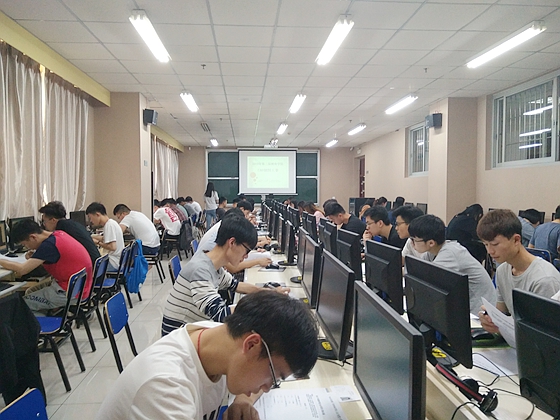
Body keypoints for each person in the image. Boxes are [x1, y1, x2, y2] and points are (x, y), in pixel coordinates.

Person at [98, 291, 318, 420]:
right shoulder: (165, 386)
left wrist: (243, 398)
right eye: (273, 376)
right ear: (251, 345)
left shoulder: (218, 337)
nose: (267, 388)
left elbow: (251, 373)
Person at [161, 216, 287, 335]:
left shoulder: (213, 265)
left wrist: (270, 293)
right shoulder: (200, 270)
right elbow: (221, 314)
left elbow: (236, 285)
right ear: (232, 243)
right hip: (180, 339)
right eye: (247, 250)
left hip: (194, 330)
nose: (246, 256)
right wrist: (265, 303)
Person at [476, 209, 560, 333]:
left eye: (495, 244)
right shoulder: (503, 270)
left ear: (516, 240)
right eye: (486, 245)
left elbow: (545, 335)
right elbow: (501, 312)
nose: (490, 251)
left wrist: (502, 329)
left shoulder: (544, 279)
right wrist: (490, 320)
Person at [0, 219, 93, 315]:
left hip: (70, 292)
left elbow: (22, 270)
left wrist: (1, 261)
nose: (27, 247)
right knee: (31, 291)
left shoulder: (48, 246)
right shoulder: (58, 234)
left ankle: (40, 323)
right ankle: (47, 315)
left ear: (33, 237)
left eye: (25, 244)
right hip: (81, 287)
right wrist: (36, 257)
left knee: (22, 305)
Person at [408, 215, 496, 314]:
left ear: (431, 243)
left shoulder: (450, 254)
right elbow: (417, 273)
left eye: (414, 240)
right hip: (465, 307)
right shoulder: (432, 252)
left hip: (480, 312)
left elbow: (427, 285)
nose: (411, 243)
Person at [39, 201, 100, 266]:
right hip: (96, 264)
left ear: (53, 220)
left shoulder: (61, 229)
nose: (44, 225)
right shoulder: (71, 224)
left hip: (90, 266)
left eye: (44, 221)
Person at [86, 202, 125, 272]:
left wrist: (97, 242)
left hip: (113, 263)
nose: (91, 221)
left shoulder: (109, 225)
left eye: (90, 218)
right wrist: (90, 236)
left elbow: (112, 247)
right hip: (119, 261)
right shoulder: (112, 222)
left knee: (90, 267)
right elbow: (105, 239)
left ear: (97, 214)